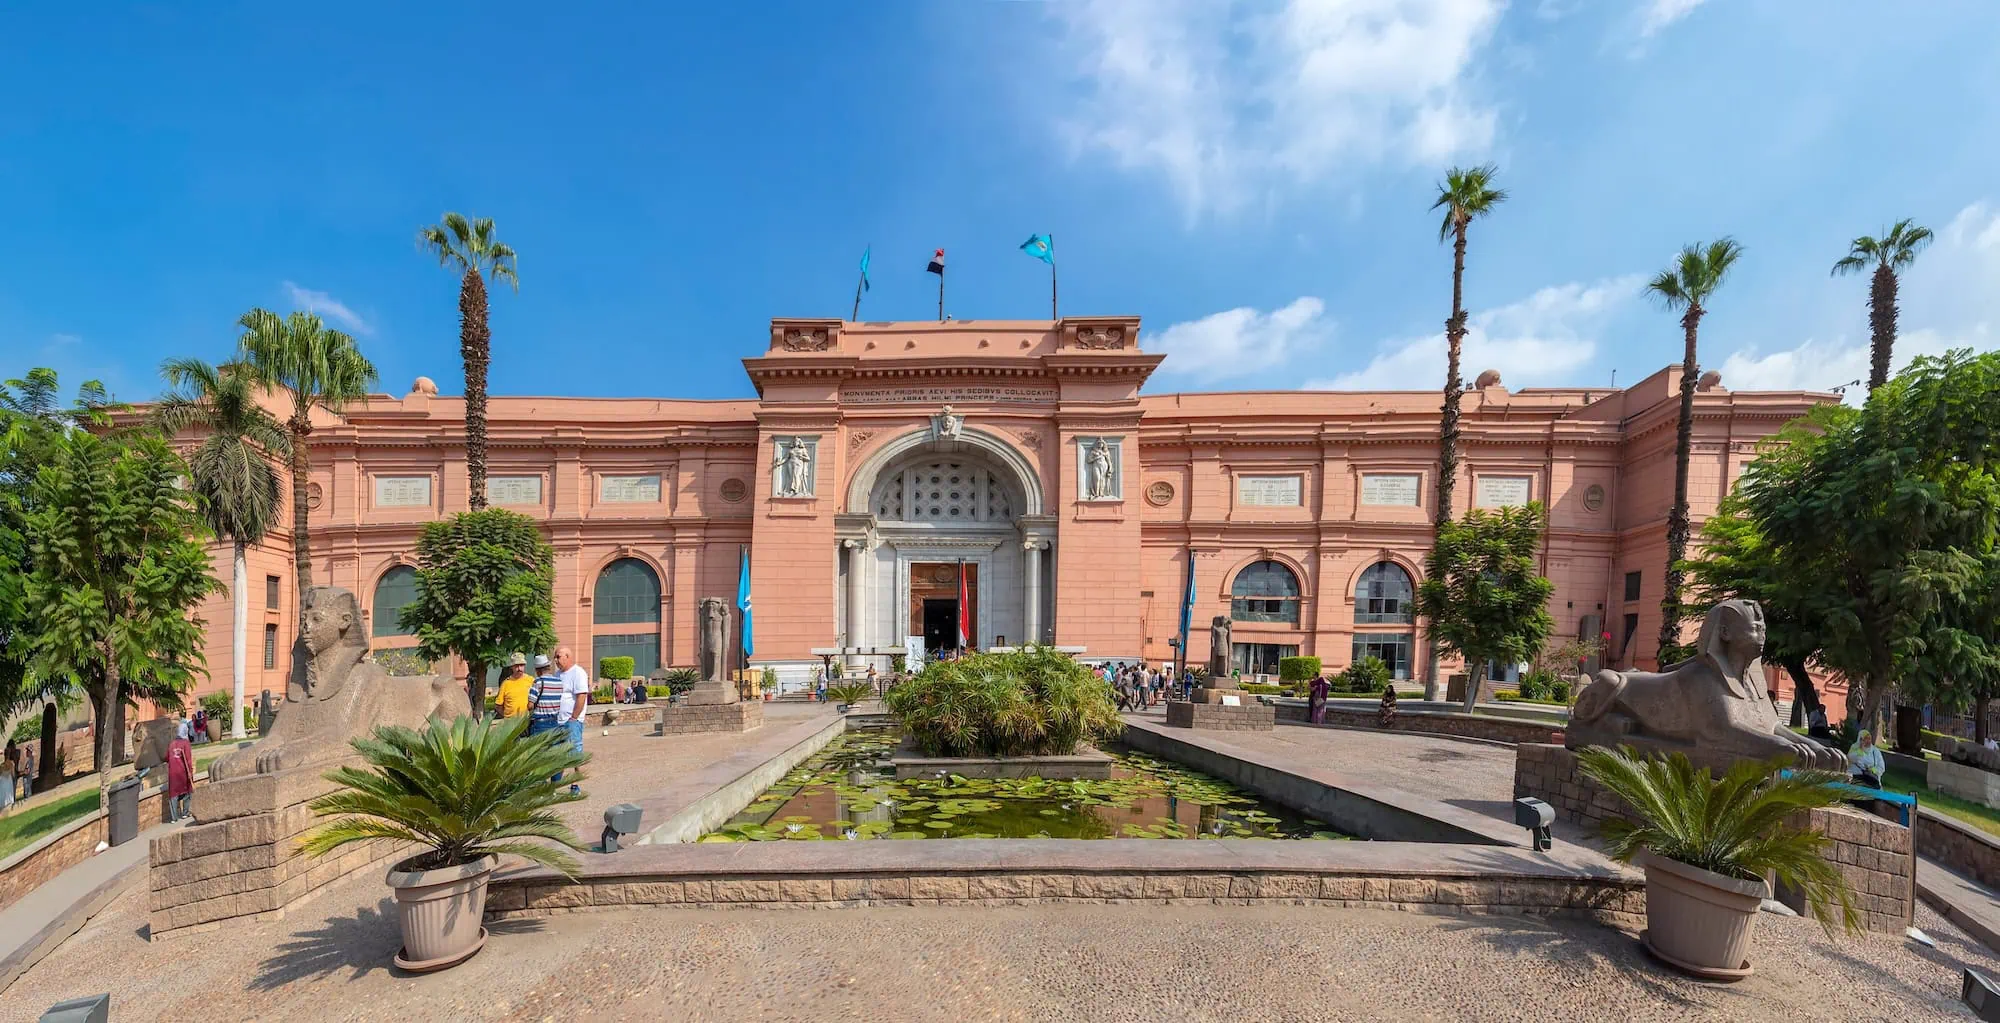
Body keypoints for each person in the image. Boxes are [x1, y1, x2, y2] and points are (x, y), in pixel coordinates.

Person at [554, 645, 589, 795]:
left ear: (568, 657)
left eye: (558, 656)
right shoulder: (557, 675)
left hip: (572, 721)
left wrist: (574, 717)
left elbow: (581, 696)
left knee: (575, 752)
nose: (556, 660)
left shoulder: (578, 673)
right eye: (555, 657)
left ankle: (575, 785)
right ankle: (553, 786)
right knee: (558, 753)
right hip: (558, 720)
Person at [166, 731, 194, 822]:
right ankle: (185, 812)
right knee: (188, 791)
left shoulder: (171, 744)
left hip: (172, 773)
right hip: (183, 772)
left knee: (173, 795)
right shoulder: (185, 743)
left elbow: (167, 758)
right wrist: (190, 771)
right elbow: (188, 759)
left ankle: (174, 818)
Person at [495, 653, 533, 720]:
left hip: (526, 722)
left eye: (521, 665)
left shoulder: (531, 681)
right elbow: (498, 706)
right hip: (510, 724)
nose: (519, 668)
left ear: (524, 665)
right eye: (516, 666)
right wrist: (507, 716)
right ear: (512, 667)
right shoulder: (505, 684)